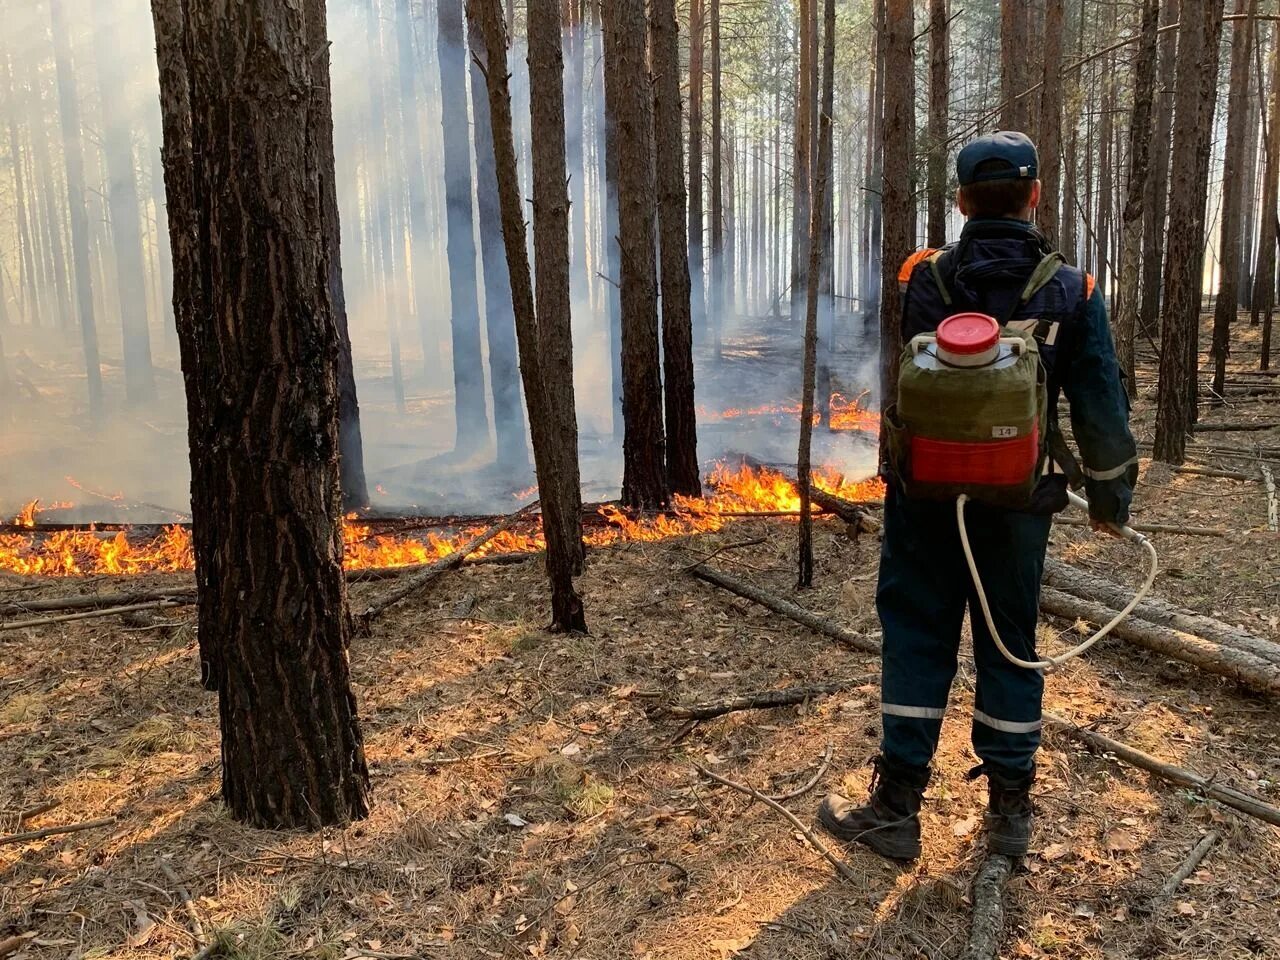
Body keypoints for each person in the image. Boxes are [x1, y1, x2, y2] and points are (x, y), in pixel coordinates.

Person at [817, 131, 1138, 862]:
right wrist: (1113, 503)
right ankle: (1008, 820)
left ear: (960, 201)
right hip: (1018, 504)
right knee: (1009, 646)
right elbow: (1101, 409)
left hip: (925, 497)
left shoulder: (919, 278)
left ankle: (896, 808)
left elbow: (916, 375)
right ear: (1034, 195)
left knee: (918, 637)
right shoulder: (1075, 290)